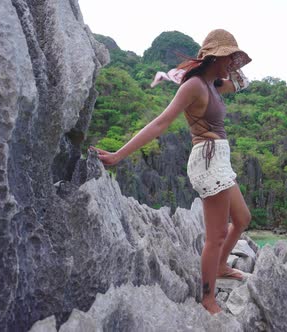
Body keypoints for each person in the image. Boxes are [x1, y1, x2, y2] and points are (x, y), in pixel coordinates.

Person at [90, 29, 252, 314]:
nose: (232, 63)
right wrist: (118, 156)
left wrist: (230, 68)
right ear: (214, 56)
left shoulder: (214, 85)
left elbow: (243, 83)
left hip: (221, 159)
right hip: (208, 159)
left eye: (234, 58)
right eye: (229, 57)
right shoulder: (194, 87)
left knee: (242, 218)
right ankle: (208, 298)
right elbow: (160, 123)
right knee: (214, 236)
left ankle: (223, 266)